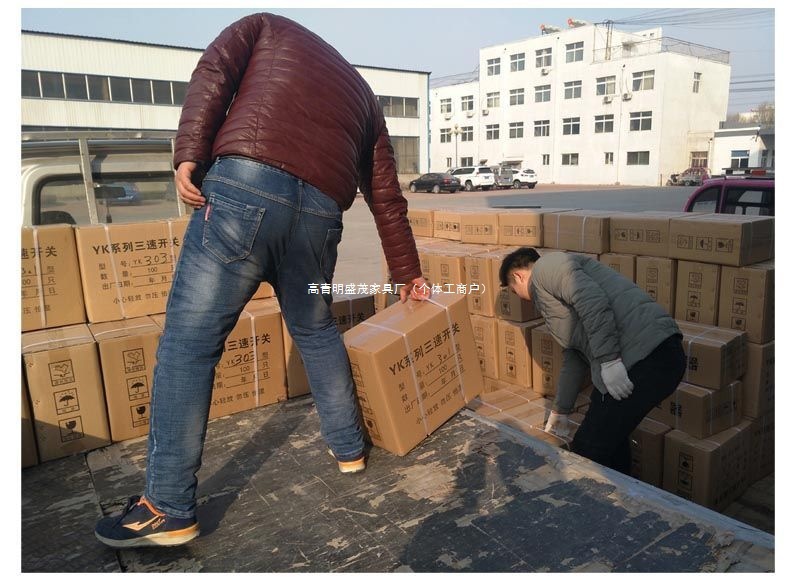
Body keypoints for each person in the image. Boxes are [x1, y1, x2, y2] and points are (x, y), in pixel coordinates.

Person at [95, 12, 428, 548]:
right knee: (316, 331)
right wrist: (408, 273)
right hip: (320, 217)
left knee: (189, 346)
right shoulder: (365, 98)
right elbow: (385, 193)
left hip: (245, 186)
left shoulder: (267, 27)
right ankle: (349, 449)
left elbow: (214, 72)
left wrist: (190, 152)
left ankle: (167, 507)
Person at [499, 248, 686, 474]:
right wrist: (561, 409)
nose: (519, 297)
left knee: (588, 449)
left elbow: (592, 301)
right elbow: (574, 356)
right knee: (611, 442)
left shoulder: (546, 268)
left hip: (649, 354)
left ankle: (594, 496)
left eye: (514, 291)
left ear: (518, 276)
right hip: (642, 357)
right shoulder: (550, 302)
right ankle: (621, 493)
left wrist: (609, 360)